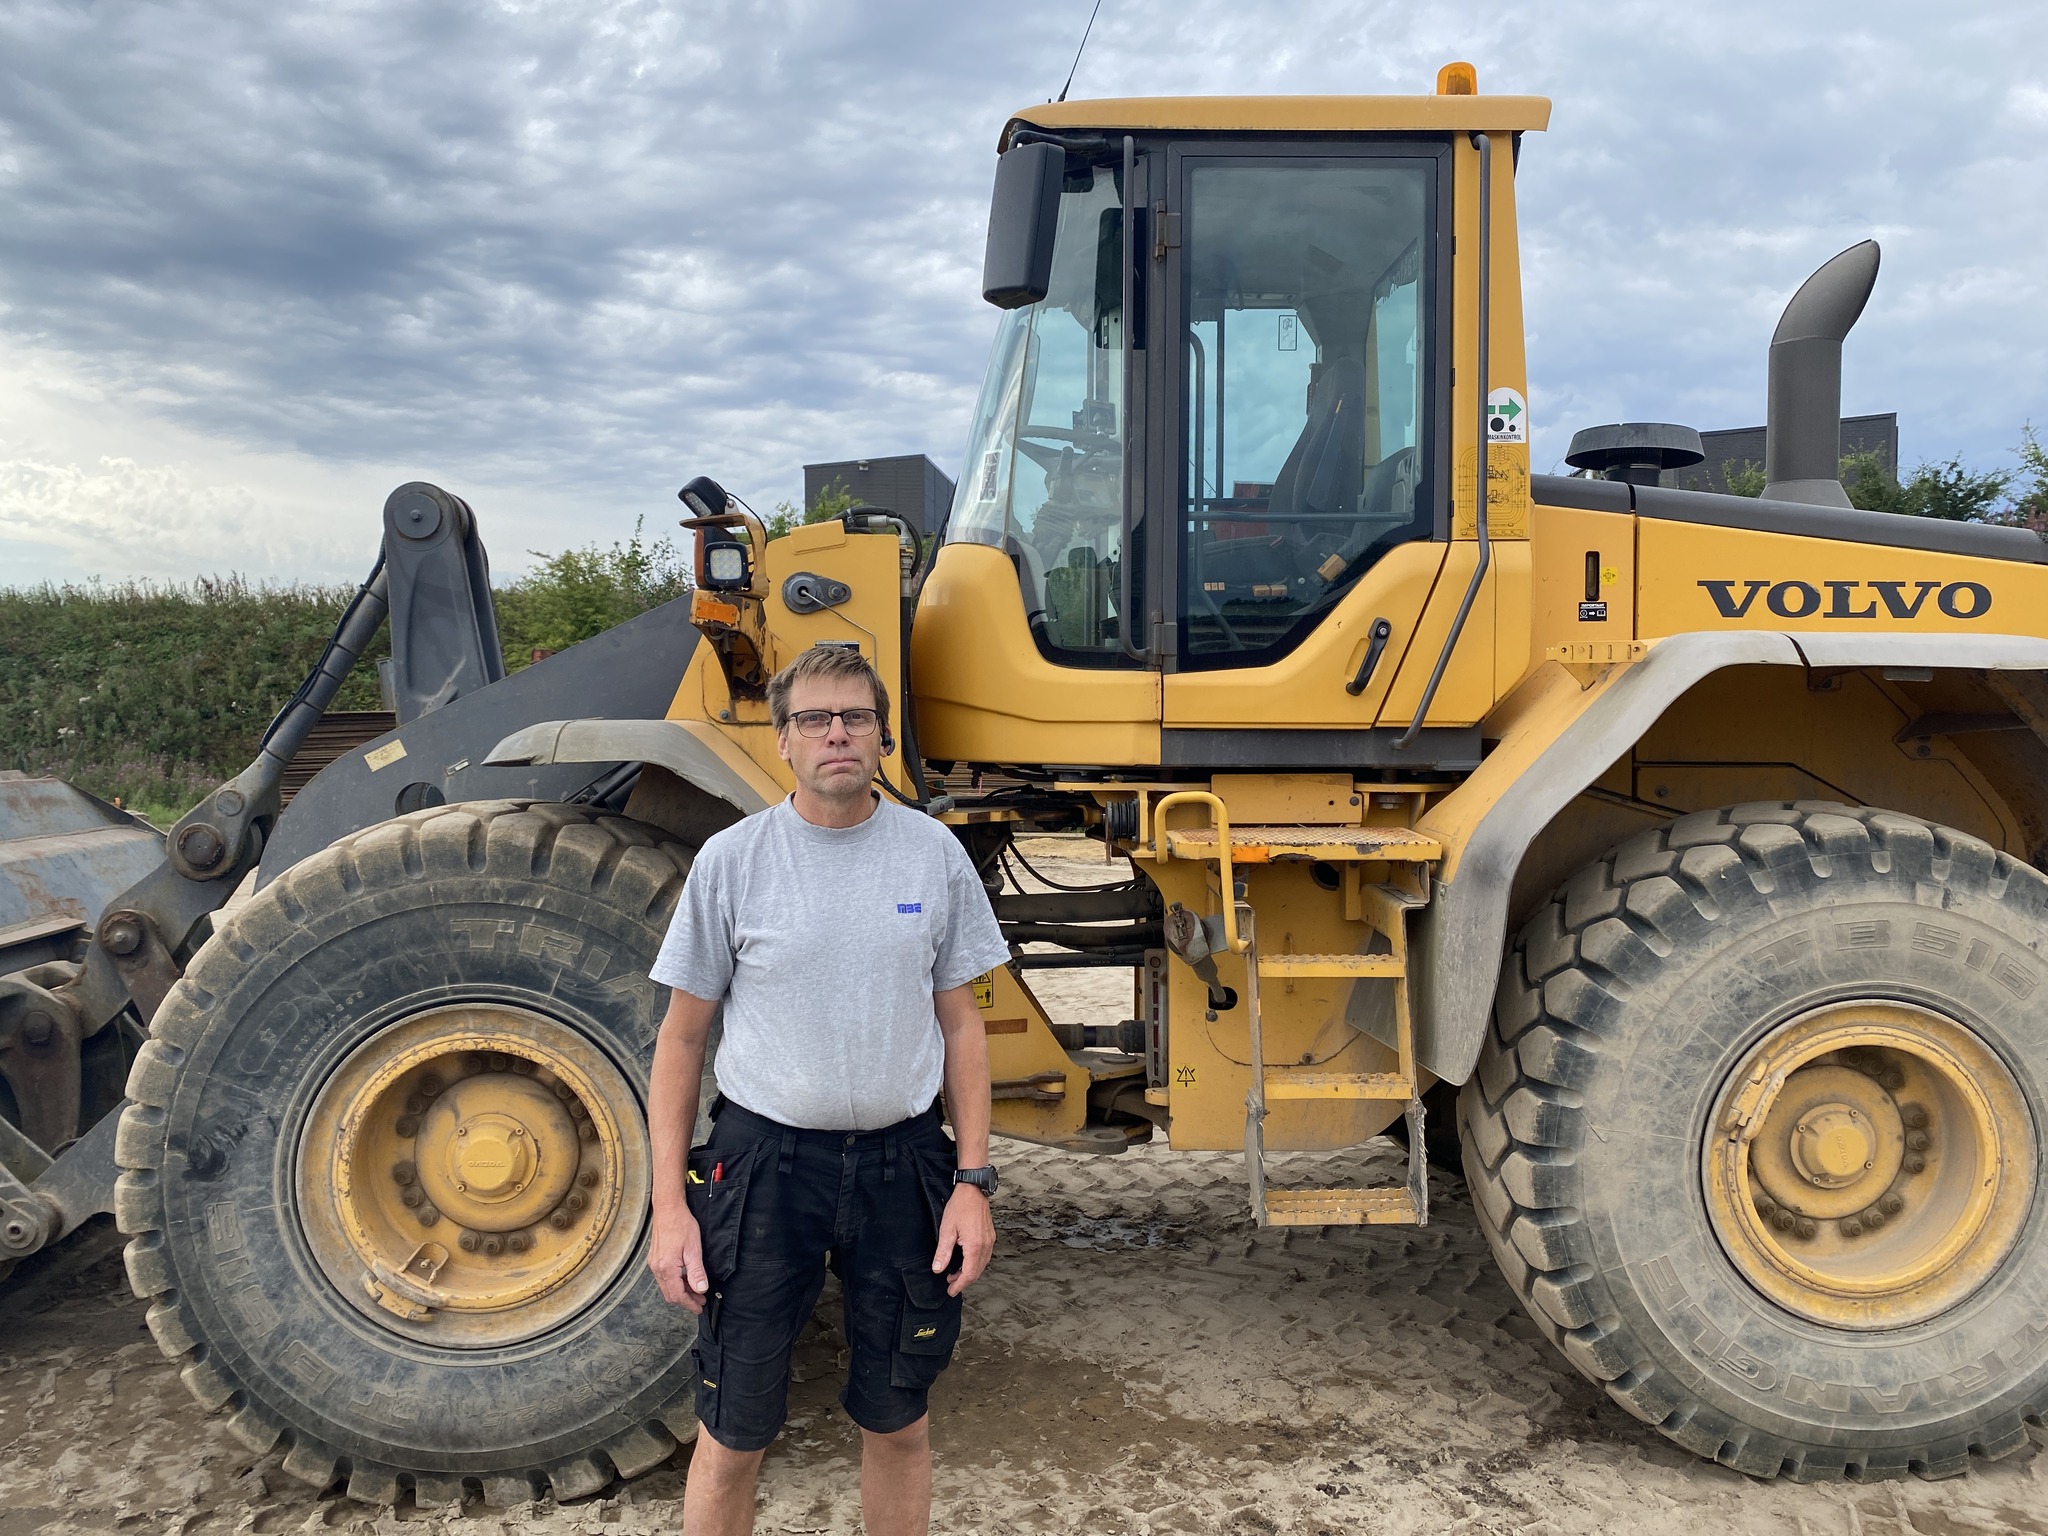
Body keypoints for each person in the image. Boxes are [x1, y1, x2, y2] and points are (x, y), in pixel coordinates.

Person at [644, 643, 1010, 1536]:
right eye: (814, 719)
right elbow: (681, 1040)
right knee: (733, 1433)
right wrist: (670, 1208)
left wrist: (972, 1183)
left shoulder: (932, 855)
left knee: (899, 1423)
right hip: (764, 1172)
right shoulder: (733, 862)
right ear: (783, 740)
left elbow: (962, 1026)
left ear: (882, 736)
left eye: (855, 717)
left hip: (903, 1168)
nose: (836, 733)